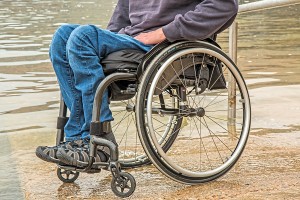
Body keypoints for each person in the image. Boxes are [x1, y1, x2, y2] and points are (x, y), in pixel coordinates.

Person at [36, 0, 238, 168]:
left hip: (165, 43)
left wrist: (164, 32)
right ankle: (77, 140)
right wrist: (108, 42)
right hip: (132, 39)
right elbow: (121, 16)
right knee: (63, 36)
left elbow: (225, 5)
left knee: (82, 37)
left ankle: (101, 139)